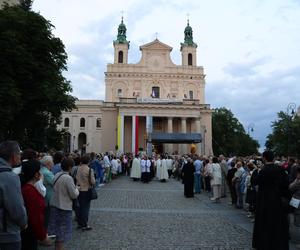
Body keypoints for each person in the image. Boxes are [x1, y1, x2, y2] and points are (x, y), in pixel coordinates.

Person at [252, 150, 290, 250]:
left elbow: (255, 181)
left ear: (264, 158)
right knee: (278, 224)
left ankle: (265, 243)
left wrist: (257, 170)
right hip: (277, 200)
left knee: (265, 224)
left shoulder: (263, 170)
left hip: (265, 201)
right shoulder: (280, 169)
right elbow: (286, 185)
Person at [0, 141, 27, 250]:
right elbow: (16, 209)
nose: (20, 156)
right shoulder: (9, 177)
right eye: (19, 153)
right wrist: (23, 222)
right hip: (7, 233)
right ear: (13, 156)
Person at [21, 159, 53, 249]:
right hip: (30, 234)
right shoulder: (30, 191)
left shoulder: (27, 188)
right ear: (36, 174)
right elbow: (35, 217)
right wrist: (42, 236)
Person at [48, 158, 79, 250]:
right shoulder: (68, 178)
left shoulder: (56, 175)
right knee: (62, 232)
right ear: (69, 167)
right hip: (64, 207)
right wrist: (77, 189)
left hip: (54, 205)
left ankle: (58, 248)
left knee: (57, 231)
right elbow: (73, 195)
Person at [76, 155, 95, 230]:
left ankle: (79, 223)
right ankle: (84, 224)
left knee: (79, 207)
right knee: (85, 208)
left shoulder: (78, 168)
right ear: (88, 161)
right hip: (86, 190)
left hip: (79, 189)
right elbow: (93, 182)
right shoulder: (89, 170)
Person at [40, 155, 54, 229]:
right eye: (52, 162)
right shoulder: (47, 173)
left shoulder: (42, 170)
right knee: (47, 216)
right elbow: (54, 183)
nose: (53, 164)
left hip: (43, 196)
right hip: (48, 197)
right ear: (48, 163)